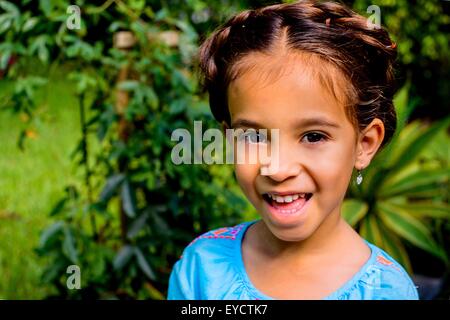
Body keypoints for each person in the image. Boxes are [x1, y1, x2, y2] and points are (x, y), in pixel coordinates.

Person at [167, 0, 419, 300]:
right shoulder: (201, 270)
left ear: (364, 145)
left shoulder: (387, 291)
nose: (278, 168)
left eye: (313, 136)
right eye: (254, 137)